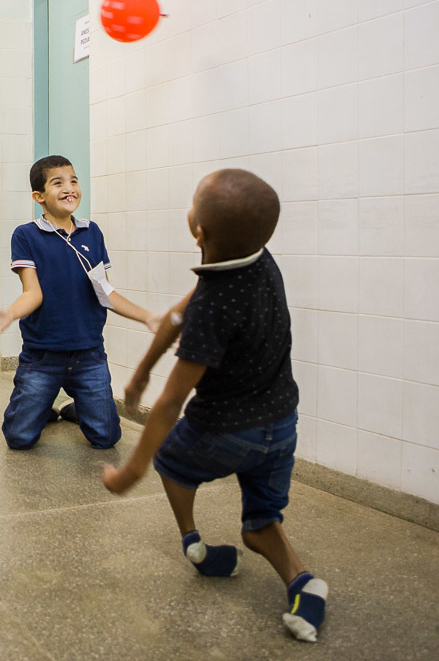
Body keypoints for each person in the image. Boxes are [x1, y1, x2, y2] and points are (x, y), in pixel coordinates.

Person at [102, 168, 326, 643]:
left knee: (170, 462)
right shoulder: (260, 262)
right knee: (259, 526)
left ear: (198, 231)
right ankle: (305, 586)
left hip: (226, 430)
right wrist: (142, 368)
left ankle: (194, 543)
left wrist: (132, 470)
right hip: (281, 427)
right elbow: (181, 310)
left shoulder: (215, 305)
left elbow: (171, 402)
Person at [0, 155, 161, 450]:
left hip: (88, 354)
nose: (69, 188)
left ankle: (78, 408)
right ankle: (41, 407)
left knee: (107, 438)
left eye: (73, 180)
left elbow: (105, 291)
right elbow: (33, 293)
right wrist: (9, 314)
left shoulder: (92, 232)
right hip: (42, 356)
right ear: (39, 196)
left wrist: (148, 317)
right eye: (57, 183)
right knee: (19, 439)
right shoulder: (26, 235)